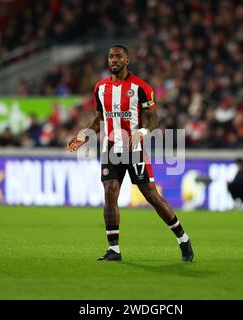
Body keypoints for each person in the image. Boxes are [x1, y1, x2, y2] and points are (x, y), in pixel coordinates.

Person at [67, 45, 193, 262]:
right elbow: (99, 118)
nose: (114, 60)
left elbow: (153, 117)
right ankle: (114, 249)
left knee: (151, 196)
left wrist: (142, 132)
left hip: (134, 150)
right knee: (110, 190)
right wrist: (83, 136)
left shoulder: (141, 87)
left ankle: (183, 239)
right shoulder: (100, 88)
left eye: (118, 56)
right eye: (110, 56)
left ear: (127, 60)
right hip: (111, 149)